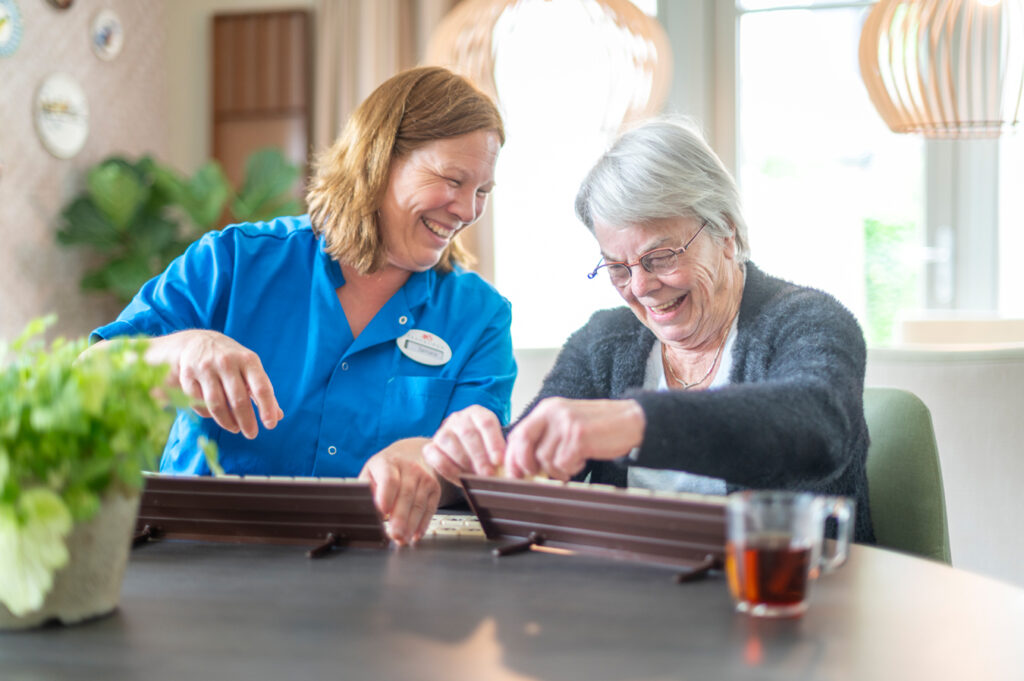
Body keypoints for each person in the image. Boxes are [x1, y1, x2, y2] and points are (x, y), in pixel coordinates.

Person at [90, 67, 516, 545]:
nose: (468, 209)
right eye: (453, 180)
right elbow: (88, 376)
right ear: (378, 160)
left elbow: (478, 463)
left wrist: (426, 465)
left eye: (482, 192)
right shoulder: (232, 261)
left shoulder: (482, 317)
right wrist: (178, 350)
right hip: (197, 552)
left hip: (371, 577)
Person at [424, 117, 875, 543]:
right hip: (637, 604)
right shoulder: (606, 343)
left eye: (661, 257)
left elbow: (819, 423)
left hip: (787, 600)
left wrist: (634, 422)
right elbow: (524, 467)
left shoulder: (806, 320)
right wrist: (445, 471)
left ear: (726, 233)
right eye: (618, 268)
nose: (640, 287)